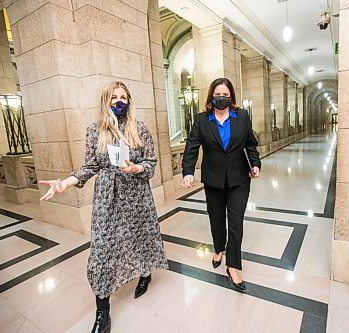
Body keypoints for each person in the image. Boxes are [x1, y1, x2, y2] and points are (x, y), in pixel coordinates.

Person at [39, 81, 168, 333]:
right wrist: (65, 182)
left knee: (140, 238)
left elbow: (151, 163)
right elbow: (90, 167)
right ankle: (103, 313)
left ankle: (145, 273)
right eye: (114, 97)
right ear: (106, 101)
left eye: (123, 97)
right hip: (107, 198)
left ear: (129, 101)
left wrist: (136, 168)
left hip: (136, 195)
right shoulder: (94, 130)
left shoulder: (140, 129)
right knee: (102, 251)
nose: (119, 101)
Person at [181, 77, 261, 292]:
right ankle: (218, 249)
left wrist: (255, 163)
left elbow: (250, 144)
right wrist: (188, 171)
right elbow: (191, 146)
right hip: (213, 179)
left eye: (225, 95)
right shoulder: (201, 119)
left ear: (231, 97)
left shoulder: (242, 116)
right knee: (216, 218)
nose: (221, 99)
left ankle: (233, 266)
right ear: (211, 97)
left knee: (236, 222)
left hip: (239, 179)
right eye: (217, 95)